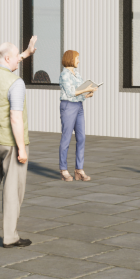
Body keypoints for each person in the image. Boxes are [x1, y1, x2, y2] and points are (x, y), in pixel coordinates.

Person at [0, 36, 37, 247]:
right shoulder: (16, 83)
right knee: (12, 190)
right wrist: (22, 148)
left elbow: (8, 60)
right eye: (17, 59)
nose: (18, 63)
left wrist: (25, 54)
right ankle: (10, 237)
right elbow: (15, 117)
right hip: (10, 142)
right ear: (8, 58)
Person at [57, 49, 98, 181]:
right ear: (70, 59)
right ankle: (63, 170)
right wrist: (88, 88)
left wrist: (88, 94)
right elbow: (71, 92)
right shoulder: (64, 75)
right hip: (68, 106)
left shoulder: (77, 74)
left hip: (79, 106)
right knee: (66, 138)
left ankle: (78, 169)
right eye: (77, 58)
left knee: (81, 137)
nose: (78, 61)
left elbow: (79, 91)